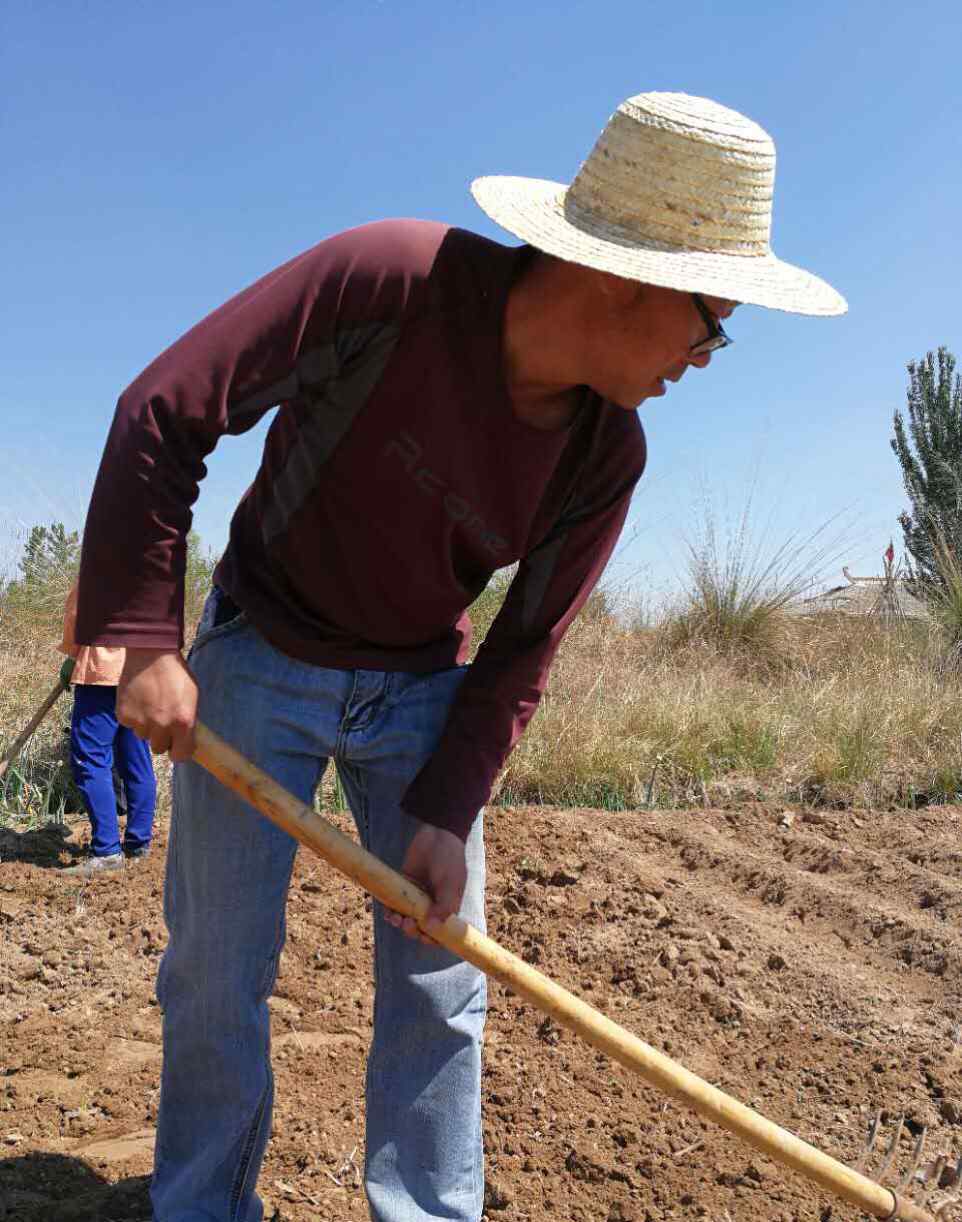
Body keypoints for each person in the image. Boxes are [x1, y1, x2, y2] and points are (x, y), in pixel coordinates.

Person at [75, 92, 845, 1221]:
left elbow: (521, 649)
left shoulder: (605, 452)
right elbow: (163, 409)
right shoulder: (389, 281)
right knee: (213, 979)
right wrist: (143, 635)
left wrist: (444, 809)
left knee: (444, 982)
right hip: (262, 652)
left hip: (423, 693)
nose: (705, 355)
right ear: (626, 274)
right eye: (710, 321)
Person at [59, 581, 156, 875]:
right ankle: (138, 844)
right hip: (141, 672)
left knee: (90, 758)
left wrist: (72, 656)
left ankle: (106, 851)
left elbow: (78, 615)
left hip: (102, 674)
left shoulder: (101, 559)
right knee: (136, 760)